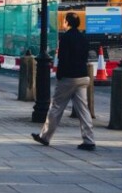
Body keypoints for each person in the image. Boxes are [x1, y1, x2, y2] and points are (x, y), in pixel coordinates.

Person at [31, 12, 95, 151]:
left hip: (68, 77)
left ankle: (45, 136)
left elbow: (63, 58)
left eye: (64, 21)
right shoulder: (83, 37)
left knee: (56, 106)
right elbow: (85, 55)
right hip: (83, 76)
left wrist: (59, 75)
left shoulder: (66, 38)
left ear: (67, 22)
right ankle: (89, 139)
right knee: (83, 109)